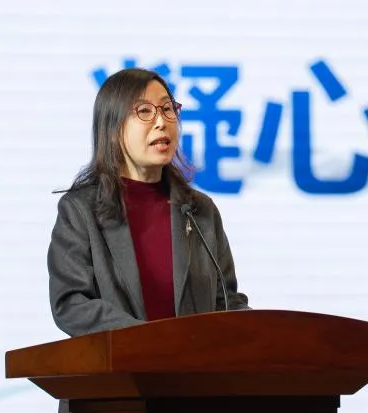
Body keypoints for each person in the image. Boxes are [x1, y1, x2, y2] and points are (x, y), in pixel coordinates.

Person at [46, 68, 250, 412]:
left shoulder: (199, 210)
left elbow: (226, 302)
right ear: (113, 127)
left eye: (168, 109)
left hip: (194, 396)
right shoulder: (80, 210)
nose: (161, 122)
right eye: (144, 111)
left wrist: (260, 336)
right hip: (113, 396)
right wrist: (149, 344)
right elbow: (72, 303)